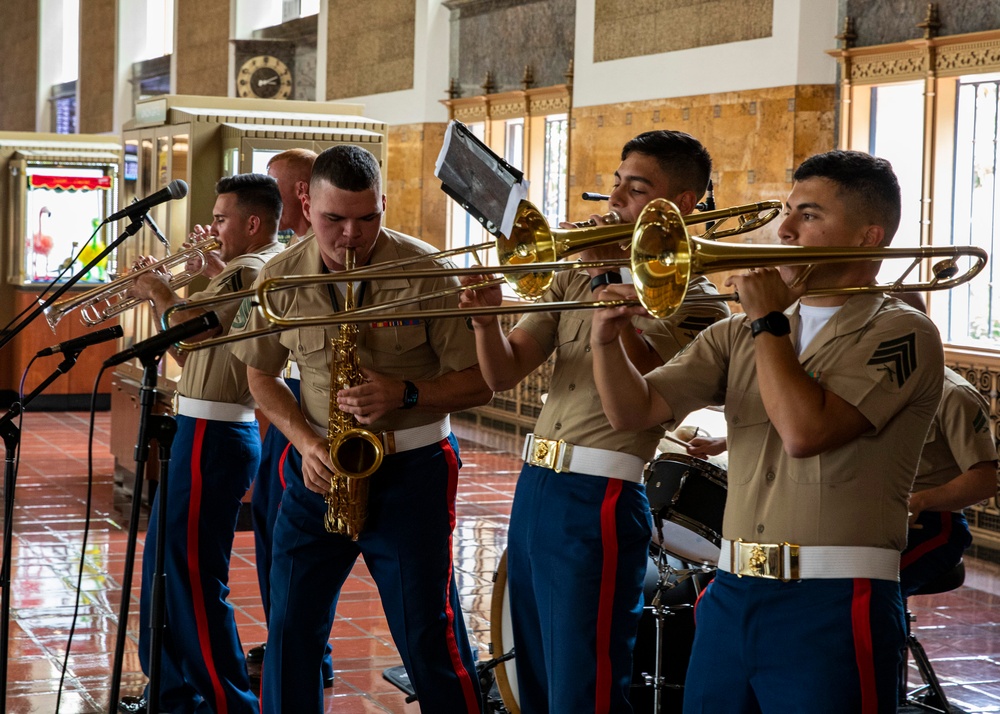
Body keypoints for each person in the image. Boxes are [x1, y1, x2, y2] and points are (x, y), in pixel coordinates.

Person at [590, 149, 946, 713]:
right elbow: (634, 412)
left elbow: (807, 432)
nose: (782, 229)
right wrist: (605, 342)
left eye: (808, 214)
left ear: (866, 237)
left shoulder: (902, 332)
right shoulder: (739, 332)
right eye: (787, 211)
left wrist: (768, 322)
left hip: (832, 597)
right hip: (732, 591)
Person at [459, 130, 729, 713]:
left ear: (679, 205)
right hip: (537, 484)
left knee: (585, 674)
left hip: (601, 494)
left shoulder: (700, 298)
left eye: (636, 191)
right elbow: (505, 372)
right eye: (615, 185)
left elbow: (648, 385)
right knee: (534, 663)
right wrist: (484, 321)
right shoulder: (574, 275)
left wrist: (609, 282)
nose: (616, 202)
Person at [228, 144, 491, 713]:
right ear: (306, 202)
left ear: (384, 205)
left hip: (411, 470)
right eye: (333, 219)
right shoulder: (277, 277)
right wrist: (305, 442)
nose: (351, 235)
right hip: (318, 468)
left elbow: (480, 383)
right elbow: (260, 376)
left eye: (367, 218)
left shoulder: (426, 271)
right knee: (291, 630)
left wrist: (406, 393)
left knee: (426, 631)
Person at [119, 173, 284, 714]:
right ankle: (170, 692)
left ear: (252, 224)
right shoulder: (233, 271)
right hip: (199, 427)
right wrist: (192, 284)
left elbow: (192, 324)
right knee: (167, 566)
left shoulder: (256, 268)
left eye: (219, 218)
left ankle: (227, 700)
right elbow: (192, 353)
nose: (210, 228)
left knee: (192, 574)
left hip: (216, 435)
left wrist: (160, 291)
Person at [243, 148, 329, 687]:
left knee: (291, 533)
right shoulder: (285, 258)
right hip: (285, 401)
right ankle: (286, 638)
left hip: (310, 405)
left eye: (275, 188)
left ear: (301, 193)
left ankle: (306, 652)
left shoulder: (317, 250)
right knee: (270, 528)